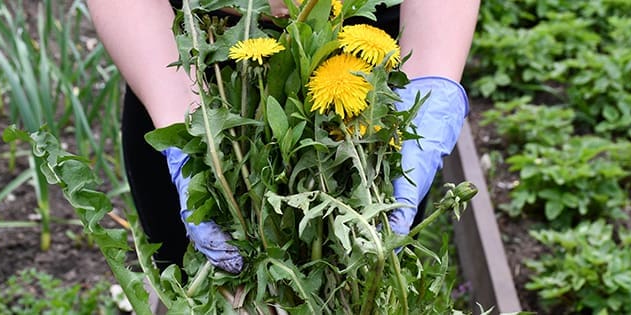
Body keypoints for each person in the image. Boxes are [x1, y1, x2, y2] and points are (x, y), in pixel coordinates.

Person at [87, 0, 480, 274]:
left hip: (368, 76)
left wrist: (432, 86)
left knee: (363, 278)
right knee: (203, 284)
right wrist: (187, 128)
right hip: (192, 64)